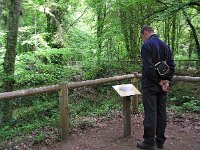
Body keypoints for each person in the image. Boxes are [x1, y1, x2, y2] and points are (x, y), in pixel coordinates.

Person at [137, 25, 175, 150]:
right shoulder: (165, 45)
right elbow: (172, 65)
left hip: (150, 85)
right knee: (161, 113)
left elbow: (148, 68)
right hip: (163, 86)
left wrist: (159, 81)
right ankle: (160, 141)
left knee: (150, 114)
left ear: (146, 32)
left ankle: (149, 142)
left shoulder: (147, 45)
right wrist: (167, 81)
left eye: (142, 36)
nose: (142, 38)